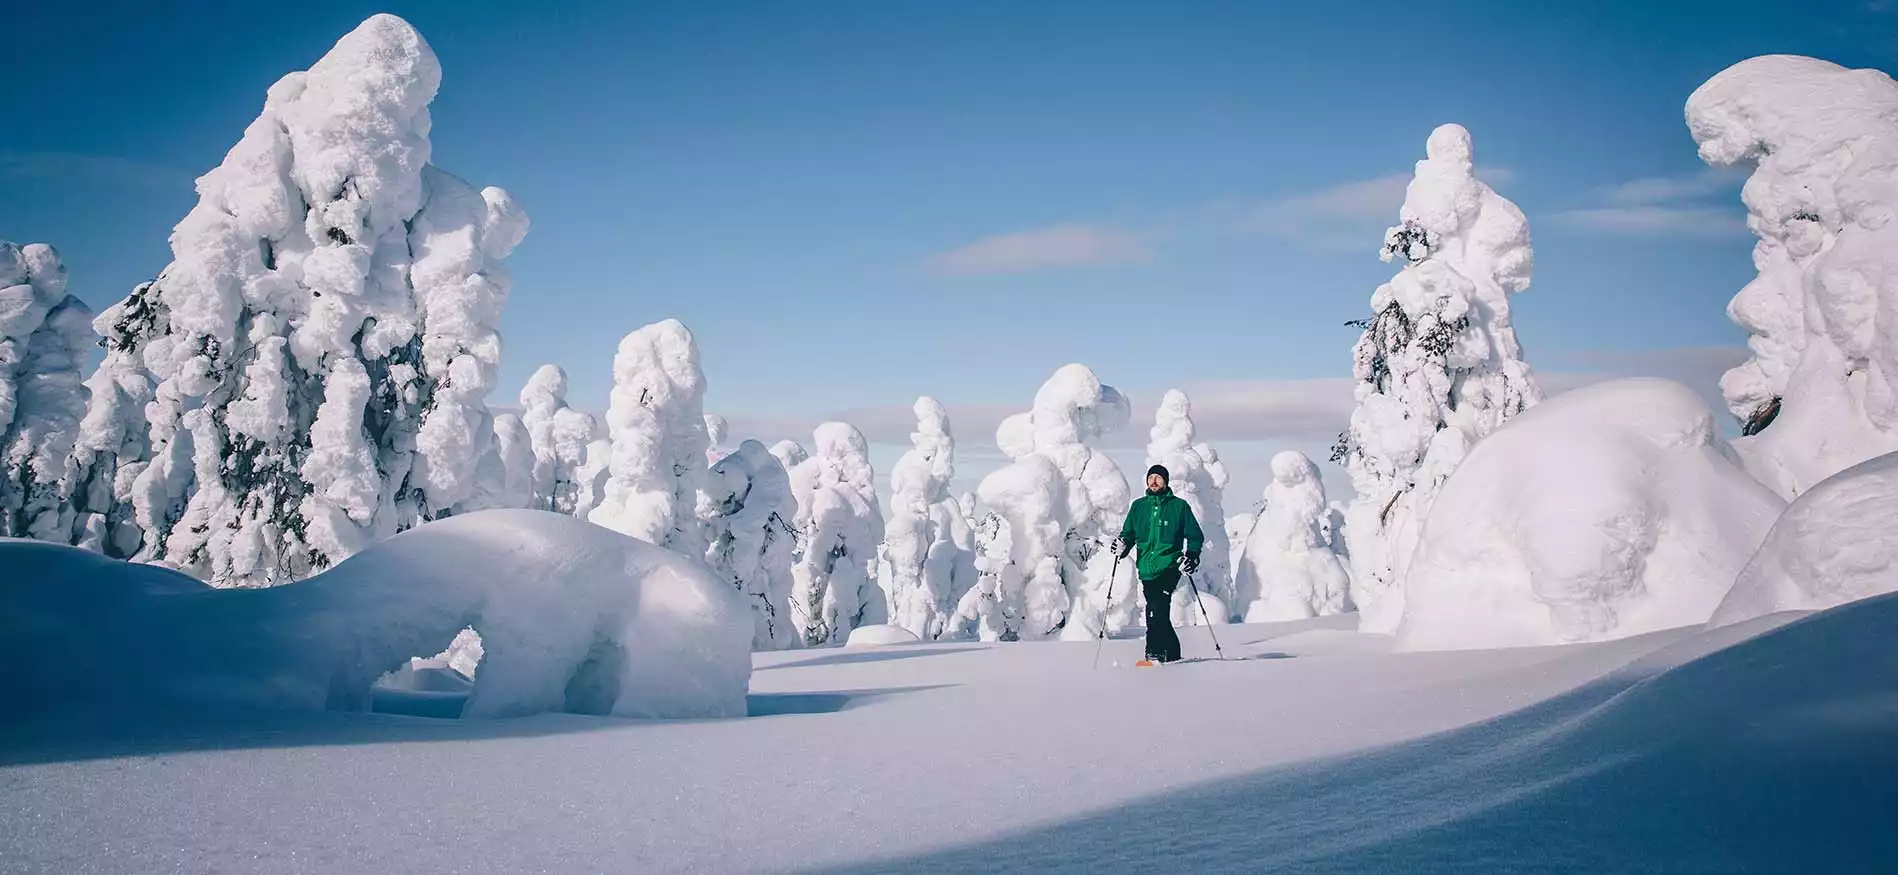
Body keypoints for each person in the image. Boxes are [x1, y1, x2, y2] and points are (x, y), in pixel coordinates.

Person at [1110, 464, 1203, 664]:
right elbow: (1128, 534)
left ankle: (1153, 655)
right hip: (1146, 568)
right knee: (1158, 612)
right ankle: (1173, 655)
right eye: (1151, 477)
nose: (1154, 481)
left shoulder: (1179, 507)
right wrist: (1122, 545)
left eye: (1158, 478)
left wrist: (1192, 556)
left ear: (1166, 482)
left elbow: (1195, 536)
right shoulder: (1138, 507)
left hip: (1170, 565)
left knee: (1156, 609)